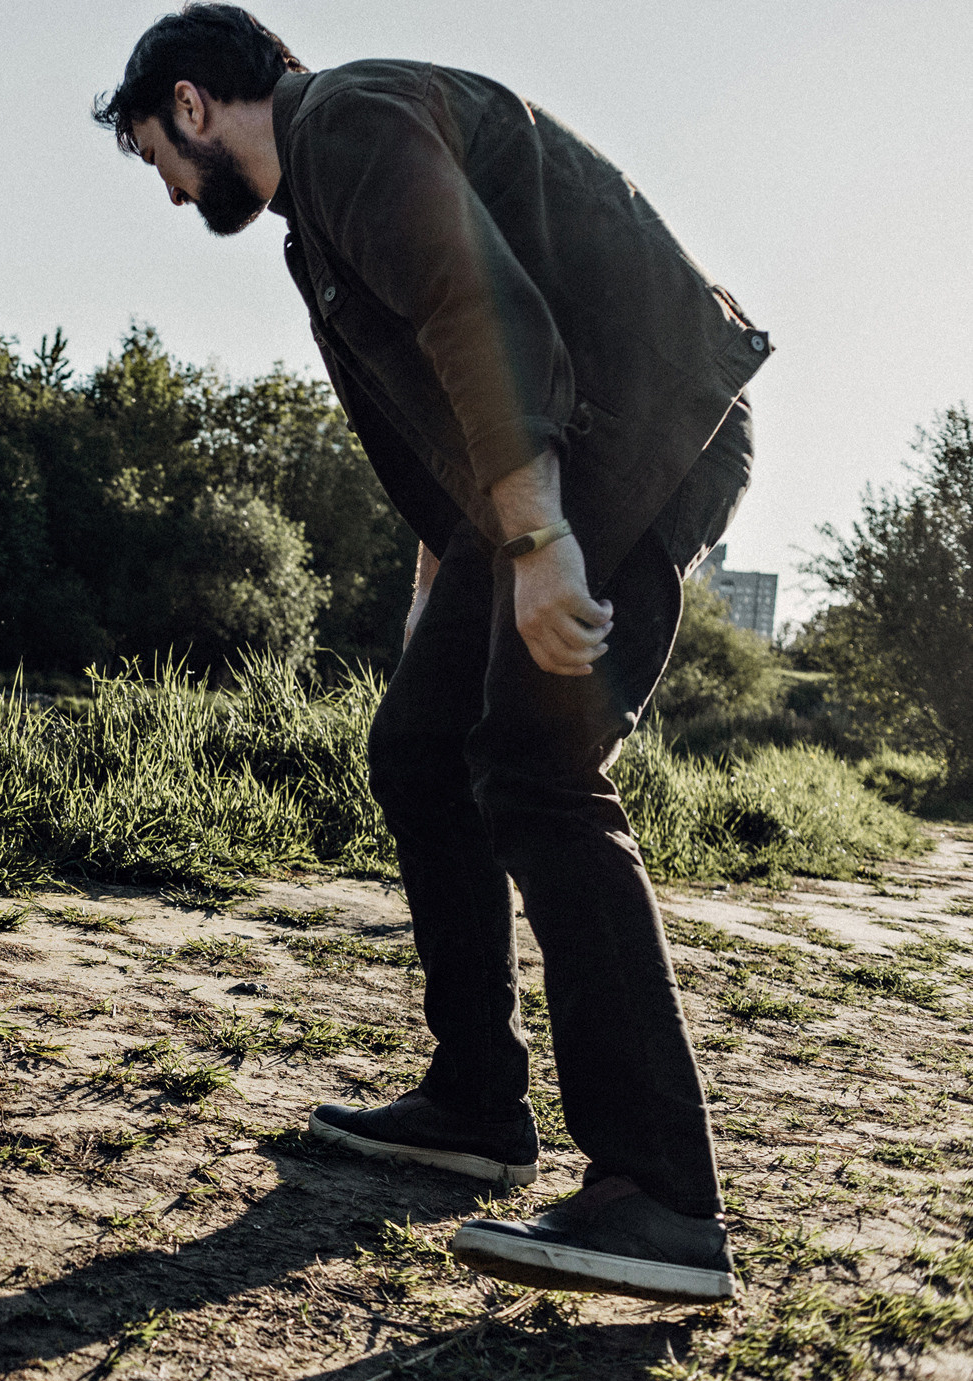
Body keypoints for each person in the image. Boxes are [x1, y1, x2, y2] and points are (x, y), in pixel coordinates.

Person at [95, 5, 769, 1305]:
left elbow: (481, 311)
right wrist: (441, 596)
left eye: (154, 157)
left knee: (538, 769)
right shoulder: (316, 224)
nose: (170, 191)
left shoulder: (349, 120)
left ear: (189, 104)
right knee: (417, 746)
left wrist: (541, 547)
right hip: (551, 468)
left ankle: (661, 1201)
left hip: (644, 432)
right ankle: (475, 1103)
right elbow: (434, 416)